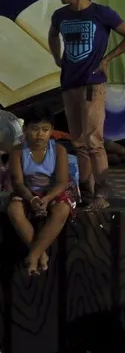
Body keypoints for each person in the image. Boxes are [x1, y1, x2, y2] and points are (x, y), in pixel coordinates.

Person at [49, 0, 125, 209]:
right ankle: (85, 192)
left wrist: (107, 59)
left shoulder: (101, 13)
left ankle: (102, 194)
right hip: (69, 83)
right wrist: (58, 57)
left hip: (92, 83)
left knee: (94, 141)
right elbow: (52, 35)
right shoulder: (60, 15)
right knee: (78, 142)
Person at [7, 108, 76, 275]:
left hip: (53, 192)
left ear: (51, 130)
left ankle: (33, 256)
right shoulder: (17, 151)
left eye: (45, 130)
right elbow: (17, 182)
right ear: (25, 130)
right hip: (28, 192)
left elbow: (61, 182)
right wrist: (31, 199)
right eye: (35, 129)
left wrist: (48, 198)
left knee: (62, 209)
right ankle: (40, 254)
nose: (40, 134)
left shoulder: (59, 150)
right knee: (13, 209)